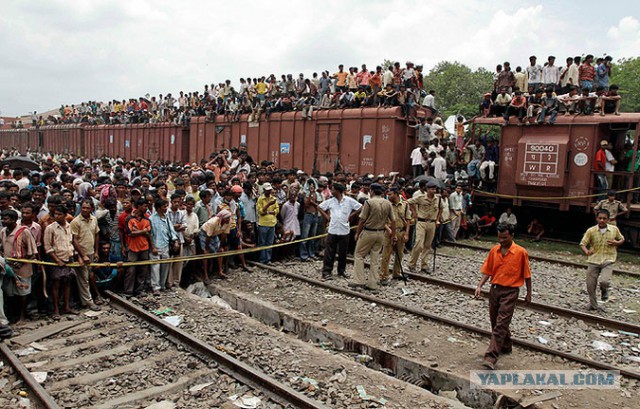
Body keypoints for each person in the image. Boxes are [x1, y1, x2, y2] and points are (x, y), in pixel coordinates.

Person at [475, 223, 532, 370]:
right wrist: (480, 285)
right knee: (496, 321)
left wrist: (529, 293)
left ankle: (491, 356)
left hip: (510, 292)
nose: (501, 240)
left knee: (501, 324)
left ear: (512, 236)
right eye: (499, 237)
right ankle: (506, 345)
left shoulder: (520, 252)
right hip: (495, 289)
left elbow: (527, 275)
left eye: (504, 238)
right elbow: (488, 270)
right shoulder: (494, 251)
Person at [351, 183, 396, 292]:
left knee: (359, 255)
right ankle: (373, 284)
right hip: (380, 233)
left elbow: (362, 220)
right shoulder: (388, 203)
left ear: (372, 191)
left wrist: (357, 233)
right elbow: (393, 221)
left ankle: (359, 281)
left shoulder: (369, 202)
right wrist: (393, 235)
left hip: (368, 232)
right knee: (375, 259)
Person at [580, 209, 624, 312]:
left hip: (608, 259)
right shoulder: (591, 231)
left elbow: (622, 239)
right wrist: (586, 251)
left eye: (604, 218)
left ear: (608, 219)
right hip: (594, 259)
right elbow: (583, 243)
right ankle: (593, 305)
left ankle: (604, 290)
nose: (602, 220)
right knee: (590, 284)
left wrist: (616, 243)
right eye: (600, 218)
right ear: (596, 219)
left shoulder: (614, 229)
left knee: (604, 281)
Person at [318, 183, 362, 280]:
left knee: (343, 252)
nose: (332, 191)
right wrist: (327, 217)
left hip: (344, 230)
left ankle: (341, 271)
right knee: (329, 252)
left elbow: (360, 207)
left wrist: (351, 215)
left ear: (338, 191)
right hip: (332, 230)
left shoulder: (349, 201)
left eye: (333, 189)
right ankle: (326, 272)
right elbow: (320, 207)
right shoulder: (330, 201)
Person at [1, 209, 37, 323]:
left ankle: (22, 316)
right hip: (8, 267)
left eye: (5, 219)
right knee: (9, 293)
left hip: (23, 268)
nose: (3, 221)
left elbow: (33, 253)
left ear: (14, 220)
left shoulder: (24, 231)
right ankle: (13, 315)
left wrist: (22, 262)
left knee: (23, 293)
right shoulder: (3, 231)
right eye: (2, 218)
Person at [70, 199, 101, 311]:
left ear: (91, 209)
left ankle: (87, 299)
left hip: (91, 251)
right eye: (83, 207)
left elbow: (96, 235)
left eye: (87, 208)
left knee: (89, 276)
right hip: (81, 254)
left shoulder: (94, 219)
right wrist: (82, 255)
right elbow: (74, 240)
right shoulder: (76, 222)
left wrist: (96, 251)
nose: (85, 210)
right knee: (83, 279)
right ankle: (88, 302)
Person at [406, 181, 442, 274]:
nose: (433, 191)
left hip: (432, 223)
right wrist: (414, 213)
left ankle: (424, 265)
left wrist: (438, 219)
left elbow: (441, 208)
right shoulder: (420, 197)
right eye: (431, 189)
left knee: (427, 245)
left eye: (435, 189)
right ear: (427, 189)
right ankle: (412, 264)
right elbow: (408, 202)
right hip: (421, 222)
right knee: (418, 244)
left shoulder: (438, 199)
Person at [380, 187, 410, 284]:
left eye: (390, 194)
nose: (388, 196)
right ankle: (383, 275)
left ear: (397, 194)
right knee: (386, 255)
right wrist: (389, 231)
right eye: (387, 194)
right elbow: (382, 220)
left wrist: (406, 233)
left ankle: (396, 273)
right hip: (389, 232)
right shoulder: (386, 205)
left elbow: (408, 219)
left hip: (401, 231)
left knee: (399, 254)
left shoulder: (405, 205)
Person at [149, 198, 178, 293]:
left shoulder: (166, 217)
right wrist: (153, 247)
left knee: (165, 266)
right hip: (156, 246)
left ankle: (162, 285)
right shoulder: (152, 219)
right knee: (155, 267)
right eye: (164, 206)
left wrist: (175, 240)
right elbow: (150, 234)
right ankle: (155, 287)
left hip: (165, 245)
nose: (166, 208)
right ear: (158, 208)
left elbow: (171, 231)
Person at [256, 183, 279, 264]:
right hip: (263, 223)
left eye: (270, 190)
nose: (269, 191)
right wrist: (269, 204)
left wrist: (269, 212)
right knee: (262, 242)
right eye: (267, 190)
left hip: (272, 223)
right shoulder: (260, 199)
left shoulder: (274, 198)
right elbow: (261, 212)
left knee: (269, 243)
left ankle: (268, 259)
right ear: (264, 190)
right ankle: (262, 259)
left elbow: (277, 210)